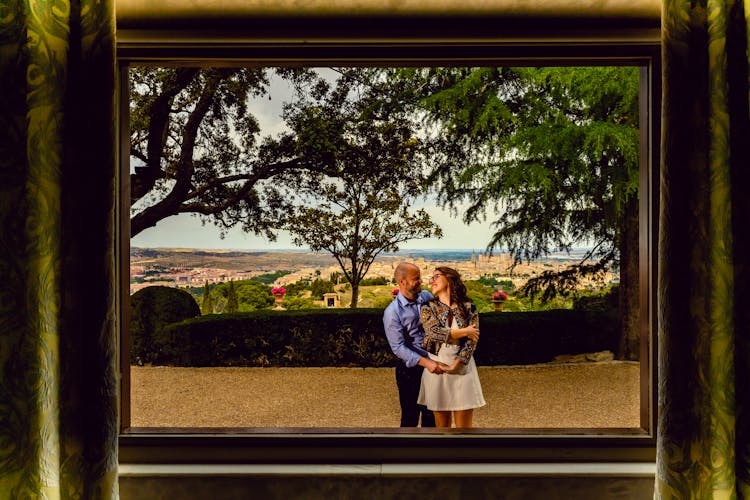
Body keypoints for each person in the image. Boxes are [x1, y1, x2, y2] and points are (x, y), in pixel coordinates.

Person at [418, 266, 485, 428]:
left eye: (436, 277)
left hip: (463, 368)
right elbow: (433, 333)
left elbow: (472, 340)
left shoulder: (469, 306)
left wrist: (458, 363)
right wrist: (465, 331)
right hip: (437, 367)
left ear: (449, 278)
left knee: (464, 430)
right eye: (431, 278)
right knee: (442, 429)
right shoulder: (427, 307)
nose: (431, 281)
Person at [383, 262, 446, 427]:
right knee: (410, 418)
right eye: (416, 279)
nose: (420, 281)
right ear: (402, 282)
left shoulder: (425, 296)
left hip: (432, 363)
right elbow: (398, 347)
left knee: (431, 416)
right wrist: (427, 363)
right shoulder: (392, 312)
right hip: (410, 370)